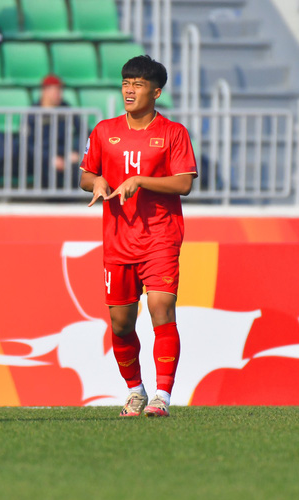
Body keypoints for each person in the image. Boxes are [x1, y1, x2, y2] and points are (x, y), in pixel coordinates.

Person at [79, 55, 197, 418]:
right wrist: (98, 182)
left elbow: (184, 183)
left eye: (138, 84)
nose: (129, 90)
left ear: (156, 92)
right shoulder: (104, 131)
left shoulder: (174, 133)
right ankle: (135, 391)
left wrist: (141, 181)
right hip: (118, 240)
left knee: (162, 307)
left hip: (160, 236)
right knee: (121, 324)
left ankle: (162, 395)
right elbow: (86, 176)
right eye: (126, 83)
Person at [26, 74, 80, 188]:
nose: (59, 94)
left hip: (64, 153)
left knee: (79, 167)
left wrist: (76, 151)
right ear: (45, 91)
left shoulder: (66, 108)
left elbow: (83, 130)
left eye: (60, 90)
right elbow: (28, 143)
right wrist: (49, 158)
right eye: (55, 91)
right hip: (42, 157)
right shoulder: (33, 112)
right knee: (46, 169)